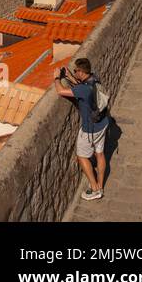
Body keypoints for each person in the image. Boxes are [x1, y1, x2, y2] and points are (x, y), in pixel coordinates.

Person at [53, 58, 108, 200]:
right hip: (103, 123)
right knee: (100, 154)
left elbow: (60, 91)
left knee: (82, 156)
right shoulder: (94, 79)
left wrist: (56, 78)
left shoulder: (83, 90)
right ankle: (101, 185)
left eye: (77, 70)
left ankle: (95, 188)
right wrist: (70, 76)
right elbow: (82, 86)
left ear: (82, 72)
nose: (75, 71)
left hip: (90, 129)